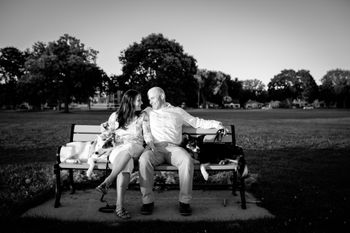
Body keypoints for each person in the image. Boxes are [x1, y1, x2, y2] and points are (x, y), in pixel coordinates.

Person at [139, 87, 227, 216]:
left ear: (162, 96)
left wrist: (217, 124)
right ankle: (147, 202)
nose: (150, 101)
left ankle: (184, 202)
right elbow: (130, 117)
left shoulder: (177, 112)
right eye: (149, 99)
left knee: (186, 160)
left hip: (174, 148)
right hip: (155, 148)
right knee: (144, 160)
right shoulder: (148, 112)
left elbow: (197, 122)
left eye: (152, 98)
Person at [96, 89, 154, 219]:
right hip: (117, 150)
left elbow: (148, 135)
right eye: (139, 100)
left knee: (130, 147)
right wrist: (106, 131)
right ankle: (119, 207)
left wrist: (150, 145)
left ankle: (109, 180)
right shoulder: (115, 116)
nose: (142, 102)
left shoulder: (143, 116)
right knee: (126, 165)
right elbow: (106, 133)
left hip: (136, 147)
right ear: (130, 101)